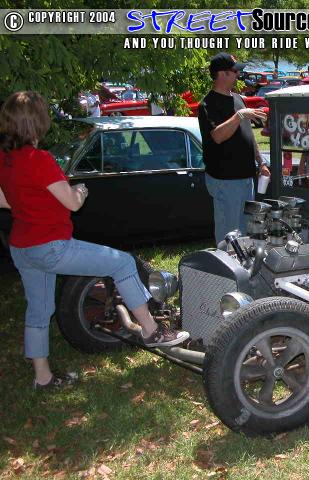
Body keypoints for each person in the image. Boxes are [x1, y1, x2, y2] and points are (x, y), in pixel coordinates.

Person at [0, 91, 189, 390]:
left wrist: (33, 202)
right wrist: (80, 191)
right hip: (50, 246)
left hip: (22, 248)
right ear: (38, 122)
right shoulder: (40, 159)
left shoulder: (6, 159)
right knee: (122, 263)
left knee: (38, 310)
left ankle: (43, 378)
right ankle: (152, 331)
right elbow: (72, 203)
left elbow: (5, 199)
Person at [198, 52, 269, 242]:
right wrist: (239, 116)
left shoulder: (238, 99)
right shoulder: (208, 104)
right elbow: (217, 136)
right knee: (229, 235)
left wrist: (261, 162)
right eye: (235, 71)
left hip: (246, 177)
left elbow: (248, 134)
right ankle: (226, 262)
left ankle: (242, 262)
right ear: (222, 74)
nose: (238, 74)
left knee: (245, 232)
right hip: (226, 180)